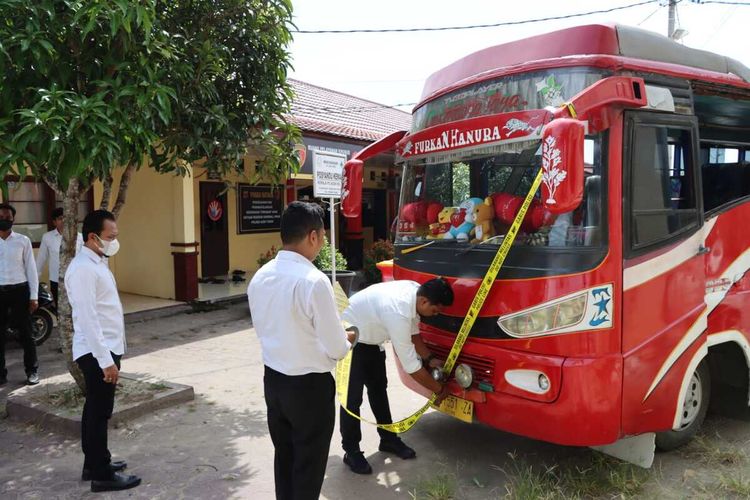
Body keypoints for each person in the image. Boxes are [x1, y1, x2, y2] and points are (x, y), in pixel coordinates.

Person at [248, 201, 354, 500]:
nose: (322, 244)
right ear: (312, 236)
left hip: (274, 381)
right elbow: (336, 347)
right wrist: (349, 339)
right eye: (322, 237)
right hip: (310, 387)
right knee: (308, 465)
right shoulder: (313, 280)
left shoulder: (261, 276)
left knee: (284, 456)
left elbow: (266, 328)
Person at [339, 278, 454, 475]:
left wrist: (430, 358)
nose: (435, 315)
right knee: (351, 401)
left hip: (372, 340)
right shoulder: (398, 311)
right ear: (425, 302)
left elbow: (413, 332)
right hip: (350, 339)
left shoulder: (414, 293)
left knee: (379, 392)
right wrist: (439, 389)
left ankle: (388, 439)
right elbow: (411, 367)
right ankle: (351, 451)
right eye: (435, 311)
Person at [65, 209, 141, 493]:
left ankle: (93, 463)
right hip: (97, 351)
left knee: (94, 409)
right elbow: (87, 318)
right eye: (111, 237)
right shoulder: (83, 268)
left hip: (105, 348)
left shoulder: (96, 261)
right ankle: (102, 473)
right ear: (93, 237)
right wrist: (106, 362)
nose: (115, 241)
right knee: (100, 412)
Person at [0, 203, 40, 386]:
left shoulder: (23, 240)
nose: (4, 220)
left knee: (26, 333)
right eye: (1, 217)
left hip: (20, 291)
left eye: (7, 217)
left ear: (13, 219)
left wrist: (34, 296)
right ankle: (1, 375)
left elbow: (31, 269)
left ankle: (32, 371)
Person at [36, 207, 84, 307]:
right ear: (54, 222)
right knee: (61, 309)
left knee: (78, 308)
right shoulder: (47, 237)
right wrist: (35, 279)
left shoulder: (79, 237)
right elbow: (41, 258)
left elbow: (84, 257)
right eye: (60, 218)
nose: (64, 221)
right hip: (56, 280)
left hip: (76, 279)